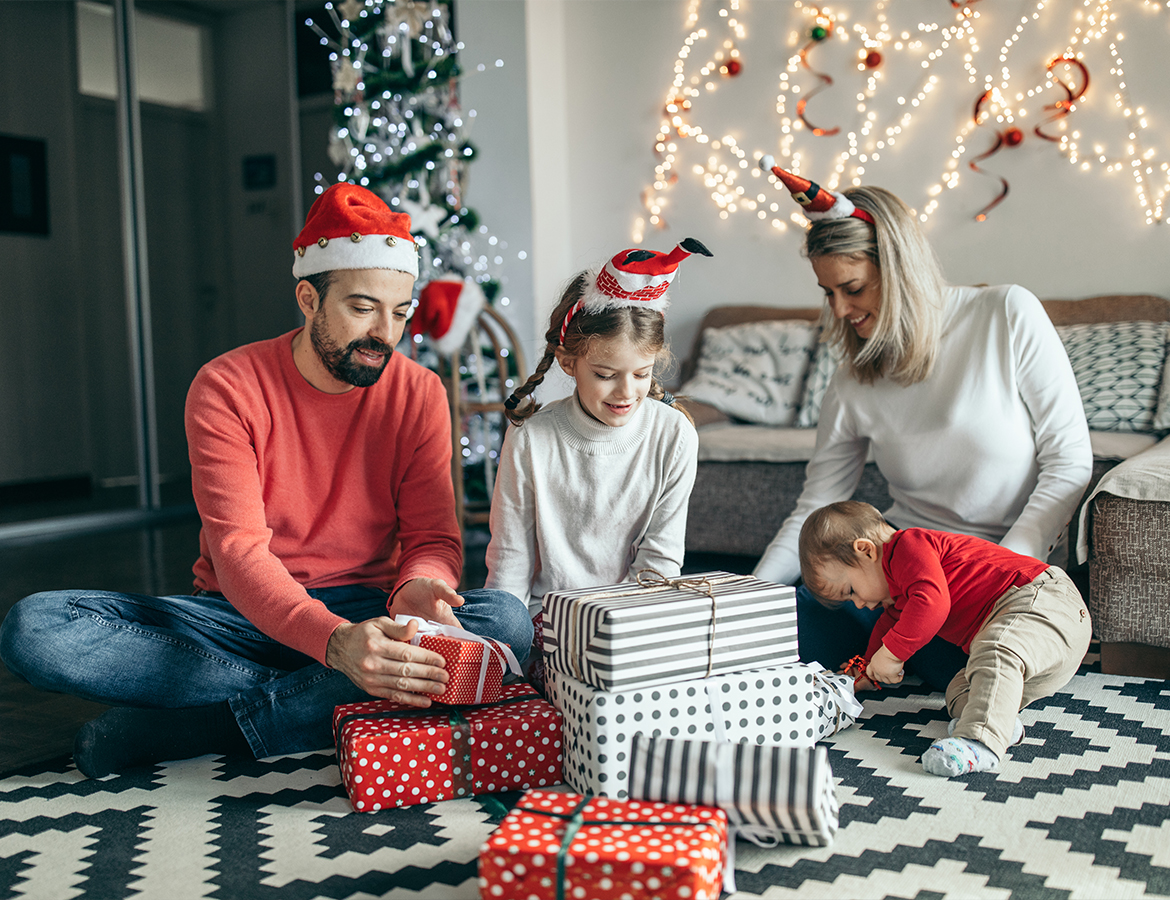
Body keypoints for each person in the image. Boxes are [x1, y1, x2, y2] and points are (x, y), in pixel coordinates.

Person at [0, 183, 532, 778]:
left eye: (400, 312)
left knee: (507, 621)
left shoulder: (419, 392)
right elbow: (238, 553)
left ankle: (208, 727)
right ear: (309, 298)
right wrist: (335, 647)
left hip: (371, 610)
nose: (386, 332)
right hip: (242, 615)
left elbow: (433, 537)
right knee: (37, 629)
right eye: (363, 308)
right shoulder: (227, 386)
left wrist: (420, 585)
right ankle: (325, 698)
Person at [753, 167, 1092, 690]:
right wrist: (749, 599)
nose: (840, 310)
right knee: (786, 621)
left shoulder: (1005, 314)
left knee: (983, 653)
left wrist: (1013, 570)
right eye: (828, 293)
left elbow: (1069, 462)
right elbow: (815, 506)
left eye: (853, 287)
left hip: (994, 583)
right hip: (897, 586)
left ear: (898, 266)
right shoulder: (852, 379)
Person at [484, 241, 708, 617]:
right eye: (605, 375)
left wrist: (610, 629)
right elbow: (510, 562)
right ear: (568, 362)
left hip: (634, 615)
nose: (626, 392)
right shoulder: (530, 439)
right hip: (548, 617)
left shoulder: (675, 434)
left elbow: (659, 563)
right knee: (498, 619)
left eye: (642, 374)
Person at [799, 500, 1092, 777]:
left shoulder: (909, 546)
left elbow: (932, 603)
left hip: (1043, 600)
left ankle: (980, 743)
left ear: (866, 550)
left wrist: (892, 655)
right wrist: (863, 673)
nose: (859, 604)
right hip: (1038, 655)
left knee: (996, 649)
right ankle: (997, 722)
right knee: (960, 687)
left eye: (850, 591)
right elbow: (886, 631)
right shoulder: (896, 598)